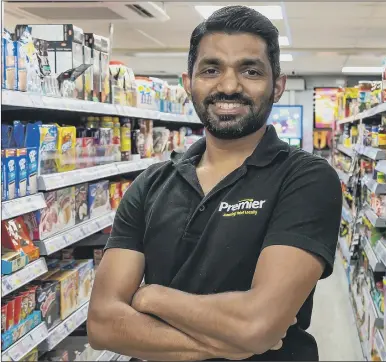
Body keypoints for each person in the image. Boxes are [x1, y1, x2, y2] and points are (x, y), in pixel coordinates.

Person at [87, 5, 342, 361]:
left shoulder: (306, 178)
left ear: (278, 86)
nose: (229, 86)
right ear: (188, 82)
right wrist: (234, 341)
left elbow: (258, 325)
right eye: (211, 69)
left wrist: (151, 297)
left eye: (250, 71)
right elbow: (102, 324)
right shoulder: (150, 185)